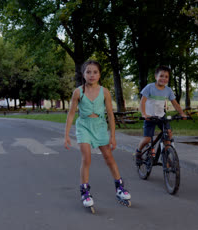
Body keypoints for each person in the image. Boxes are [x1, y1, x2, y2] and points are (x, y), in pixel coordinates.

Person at [64, 60, 131, 209]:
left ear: (99, 74)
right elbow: (70, 114)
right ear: (83, 74)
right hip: (84, 126)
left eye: (95, 72)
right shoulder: (78, 92)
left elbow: (110, 115)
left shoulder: (104, 92)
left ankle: (119, 188)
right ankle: (85, 191)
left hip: (100, 126)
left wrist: (113, 136)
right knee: (86, 157)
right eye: (88, 72)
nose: (92, 75)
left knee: (108, 157)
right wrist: (67, 135)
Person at [135, 65, 187, 158]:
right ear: (156, 77)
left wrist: (182, 113)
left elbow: (175, 103)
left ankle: (166, 156)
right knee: (147, 139)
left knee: (168, 134)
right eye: (161, 76)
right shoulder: (149, 87)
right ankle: (138, 151)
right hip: (149, 116)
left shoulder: (168, 90)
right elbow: (142, 102)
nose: (164, 78)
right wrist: (144, 114)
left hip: (161, 116)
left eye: (166, 76)